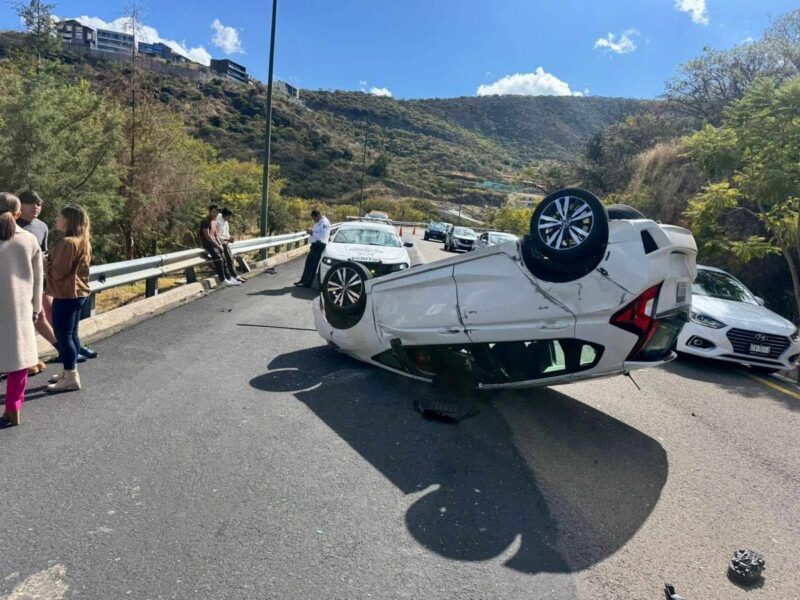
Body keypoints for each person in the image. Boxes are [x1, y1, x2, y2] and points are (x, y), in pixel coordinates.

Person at [0, 193, 43, 427]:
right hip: (19, 309)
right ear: (17, 213)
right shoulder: (28, 240)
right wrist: (36, 308)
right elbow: (38, 280)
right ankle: (14, 408)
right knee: (18, 361)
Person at [45, 205, 92, 393]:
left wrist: (45, 263)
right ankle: (69, 372)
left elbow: (59, 272)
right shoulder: (83, 241)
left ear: (68, 220)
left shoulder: (68, 242)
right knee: (71, 334)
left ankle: (71, 376)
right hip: (79, 293)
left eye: (59, 216)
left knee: (63, 336)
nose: (57, 219)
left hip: (66, 294)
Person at [201, 204, 240, 287]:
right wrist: (218, 245)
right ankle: (223, 280)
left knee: (224, 260)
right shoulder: (205, 221)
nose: (215, 214)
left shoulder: (214, 221)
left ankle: (229, 278)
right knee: (219, 260)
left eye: (216, 212)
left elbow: (215, 235)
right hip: (209, 244)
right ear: (209, 211)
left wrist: (219, 244)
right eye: (213, 212)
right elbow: (207, 236)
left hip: (216, 244)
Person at [295, 209, 330, 288]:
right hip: (315, 245)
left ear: (318, 216)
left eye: (314, 218)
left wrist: (312, 232)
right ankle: (303, 280)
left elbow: (323, 235)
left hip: (319, 245)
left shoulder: (324, 223)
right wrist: (311, 230)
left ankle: (307, 283)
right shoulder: (319, 222)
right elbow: (317, 232)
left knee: (312, 265)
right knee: (308, 263)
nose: (314, 220)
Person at [216, 208, 245, 283]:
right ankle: (233, 277)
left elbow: (226, 233)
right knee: (227, 260)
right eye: (228, 216)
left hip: (226, 243)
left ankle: (234, 276)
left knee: (230, 260)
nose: (229, 218)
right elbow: (217, 236)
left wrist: (230, 238)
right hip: (221, 244)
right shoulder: (218, 222)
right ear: (224, 215)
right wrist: (227, 239)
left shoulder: (225, 221)